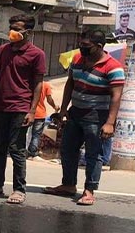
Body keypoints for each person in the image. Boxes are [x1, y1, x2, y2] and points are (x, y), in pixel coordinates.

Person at [43, 30, 124, 206]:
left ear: (99, 46)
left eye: (86, 46)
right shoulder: (78, 59)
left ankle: (89, 190)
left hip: (97, 117)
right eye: (80, 44)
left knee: (94, 154)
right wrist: (63, 109)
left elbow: (116, 97)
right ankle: (68, 185)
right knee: (68, 150)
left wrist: (110, 123)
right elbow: (70, 83)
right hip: (75, 113)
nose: (81, 48)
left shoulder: (113, 67)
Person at [0, 14, 45, 204]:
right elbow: (0, 77)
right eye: (11, 28)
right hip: (1, 106)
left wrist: (32, 111)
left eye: (17, 28)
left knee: (16, 149)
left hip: (21, 107)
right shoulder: (3, 49)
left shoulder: (37, 54)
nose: (12, 32)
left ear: (28, 32)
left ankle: (19, 189)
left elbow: (38, 84)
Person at [27, 81, 60, 160]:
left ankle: (22, 151)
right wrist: (54, 106)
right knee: (36, 135)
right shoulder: (45, 85)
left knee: (25, 133)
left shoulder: (29, 82)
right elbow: (49, 99)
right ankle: (32, 153)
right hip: (40, 114)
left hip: (28, 112)